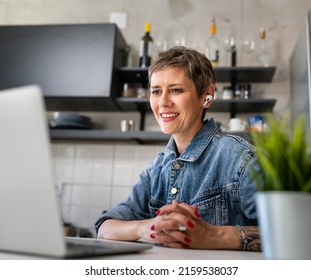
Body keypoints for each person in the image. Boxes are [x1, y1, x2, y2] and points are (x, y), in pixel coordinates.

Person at [95, 46, 261, 251]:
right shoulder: (156, 169)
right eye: (156, 91)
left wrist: (213, 235)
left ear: (207, 95)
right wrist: (145, 227)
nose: (163, 102)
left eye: (176, 90)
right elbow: (105, 228)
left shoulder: (241, 159)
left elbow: (290, 232)